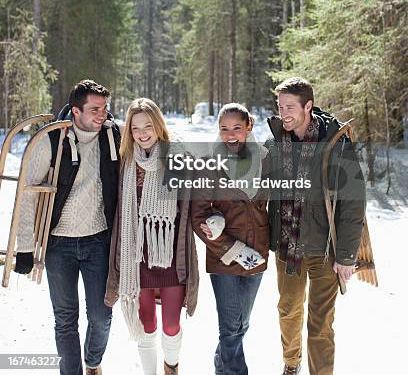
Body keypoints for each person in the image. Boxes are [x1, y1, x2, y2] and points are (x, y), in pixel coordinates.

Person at [15, 79, 121, 375]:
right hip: (58, 245)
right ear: (76, 111)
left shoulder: (112, 135)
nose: (103, 115)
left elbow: (147, 146)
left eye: (105, 108)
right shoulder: (51, 140)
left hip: (98, 240)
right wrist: (24, 248)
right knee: (65, 319)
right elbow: (27, 192)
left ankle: (93, 361)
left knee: (102, 316)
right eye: (95, 109)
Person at [266, 77, 366, 375]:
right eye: (280, 106)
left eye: (290, 107)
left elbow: (353, 201)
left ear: (308, 106)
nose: (284, 112)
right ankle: (291, 363)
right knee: (288, 311)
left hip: (325, 250)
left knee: (321, 323)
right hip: (287, 246)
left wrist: (347, 255)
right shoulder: (273, 143)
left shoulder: (336, 143)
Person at [104, 97, 199, 375]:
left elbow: (196, 202)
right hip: (137, 255)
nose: (142, 133)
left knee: (171, 324)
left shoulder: (178, 157)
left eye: (148, 126)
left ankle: (172, 366)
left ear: (158, 126)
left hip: (170, 254)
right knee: (146, 323)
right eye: (135, 128)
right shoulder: (125, 163)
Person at [191, 103, 271, 375]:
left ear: (249, 126)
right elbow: (197, 216)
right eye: (224, 129)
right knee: (230, 327)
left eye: (237, 127)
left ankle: (220, 365)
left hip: (257, 256)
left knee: (241, 325)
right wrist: (233, 249)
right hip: (223, 257)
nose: (230, 134)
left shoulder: (266, 160)